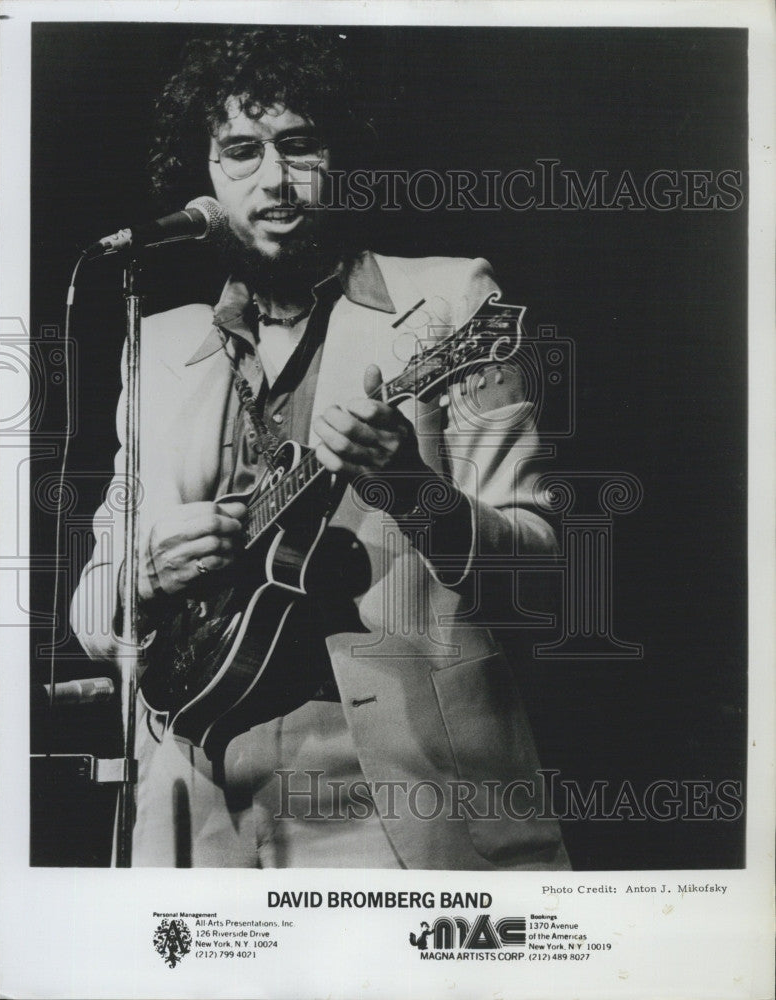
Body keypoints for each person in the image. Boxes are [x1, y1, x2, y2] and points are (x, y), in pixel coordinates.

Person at [70, 27, 570, 870]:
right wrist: (147, 575)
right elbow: (91, 611)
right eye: (240, 152)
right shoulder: (155, 347)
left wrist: (412, 487)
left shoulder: (450, 304)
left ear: (342, 156)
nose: (274, 177)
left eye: (299, 145)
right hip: (192, 799)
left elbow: (540, 568)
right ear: (205, 175)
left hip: (395, 789)